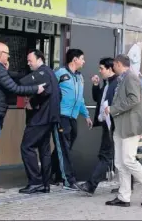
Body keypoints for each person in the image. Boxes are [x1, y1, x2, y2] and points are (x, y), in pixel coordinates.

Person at [0, 42, 45, 197]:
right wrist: (36, 89)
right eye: (7, 54)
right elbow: (14, 88)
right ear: (0, 54)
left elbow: (11, 78)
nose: (9, 57)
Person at [104, 54, 142, 207]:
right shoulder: (124, 77)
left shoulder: (131, 77)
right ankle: (124, 197)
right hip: (121, 126)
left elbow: (134, 99)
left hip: (130, 126)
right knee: (120, 163)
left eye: (113, 64)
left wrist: (113, 109)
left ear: (118, 63)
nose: (112, 67)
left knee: (128, 160)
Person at [19, 50, 61, 194]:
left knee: (26, 147)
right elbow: (49, 93)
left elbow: (22, 82)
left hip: (41, 118)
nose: (28, 63)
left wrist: (31, 101)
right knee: (44, 150)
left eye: (30, 60)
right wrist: (34, 100)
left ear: (40, 59)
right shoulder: (51, 73)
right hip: (49, 117)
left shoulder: (42, 73)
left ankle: (35, 182)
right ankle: (45, 183)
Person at [50, 49, 93, 190]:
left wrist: (86, 115)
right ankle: (68, 180)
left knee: (63, 148)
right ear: (74, 59)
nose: (84, 61)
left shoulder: (79, 77)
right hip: (61, 116)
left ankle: (52, 174)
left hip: (72, 118)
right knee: (64, 148)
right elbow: (50, 92)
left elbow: (80, 99)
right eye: (82, 58)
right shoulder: (59, 73)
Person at [77, 57, 118, 196]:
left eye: (101, 68)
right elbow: (98, 99)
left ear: (110, 69)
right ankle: (127, 186)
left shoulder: (117, 84)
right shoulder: (107, 84)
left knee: (106, 156)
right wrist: (95, 85)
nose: (99, 71)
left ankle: (91, 184)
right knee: (117, 157)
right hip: (107, 125)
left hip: (113, 126)